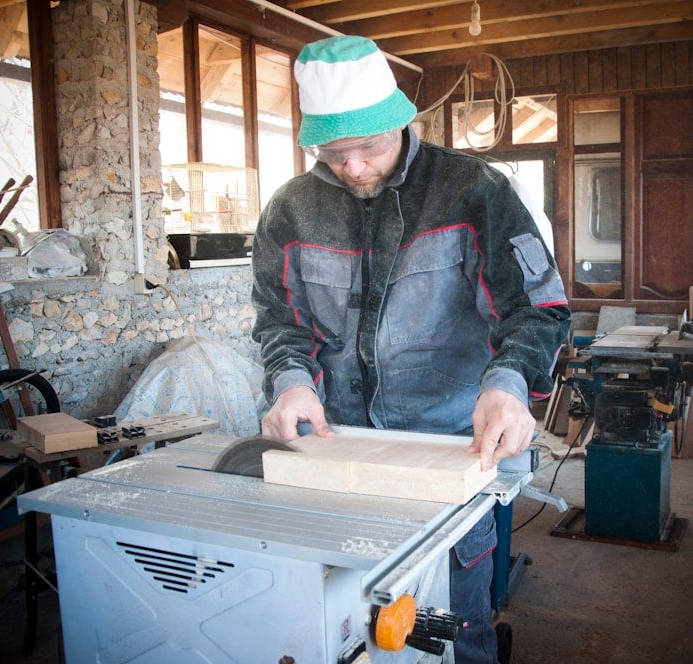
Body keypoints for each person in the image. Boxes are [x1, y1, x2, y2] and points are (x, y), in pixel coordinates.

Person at [251, 35, 571, 662]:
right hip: (334, 456)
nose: (354, 168)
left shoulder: (475, 190)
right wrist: (290, 381)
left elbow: (538, 308)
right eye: (334, 152)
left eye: (367, 147)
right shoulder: (291, 209)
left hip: (453, 452)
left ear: (401, 121)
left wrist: (508, 387)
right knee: (347, 629)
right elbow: (279, 320)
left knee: (455, 626)